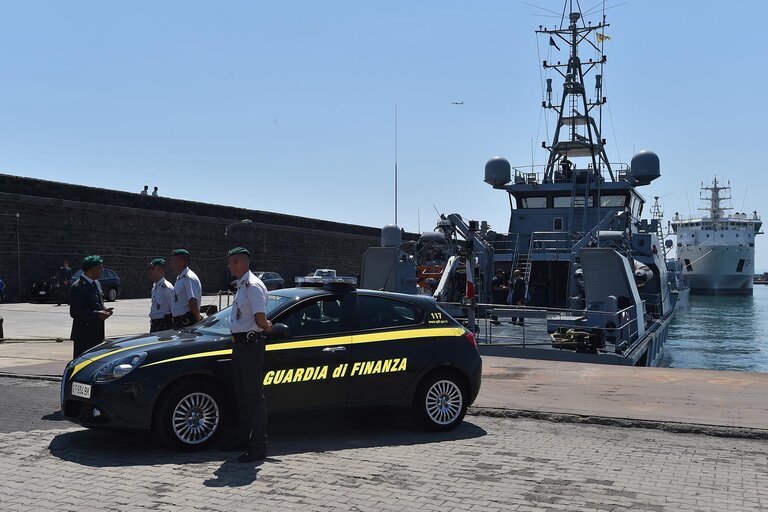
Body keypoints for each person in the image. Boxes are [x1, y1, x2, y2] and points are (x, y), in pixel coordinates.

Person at [221, 246, 272, 463]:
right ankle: (243, 438)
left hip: (251, 345)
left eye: (231, 262)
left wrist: (268, 327)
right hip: (240, 346)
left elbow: (260, 319)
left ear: (240, 262)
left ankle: (258, 446)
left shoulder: (252, 286)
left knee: (253, 397)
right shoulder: (242, 285)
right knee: (242, 395)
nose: (229, 266)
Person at [70, 255, 113, 358]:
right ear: (92, 269)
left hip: (97, 334)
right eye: (100, 267)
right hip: (84, 336)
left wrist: (103, 310)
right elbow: (75, 312)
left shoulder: (96, 283)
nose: (102, 270)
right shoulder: (78, 286)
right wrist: (97, 315)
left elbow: (95, 303)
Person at [169, 249, 202, 328]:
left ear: (181, 262)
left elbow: (193, 301)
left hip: (186, 322)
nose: (170, 263)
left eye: (173, 260)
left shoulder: (189, 278)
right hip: (179, 322)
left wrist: (197, 322)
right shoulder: (180, 278)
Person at [148, 258, 174, 332]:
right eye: (149, 269)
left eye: (153, 269)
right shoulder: (154, 287)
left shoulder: (166, 287)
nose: (150, 271)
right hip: (154, 324)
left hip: (164, 325)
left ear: (161, 270)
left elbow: (173, 307)